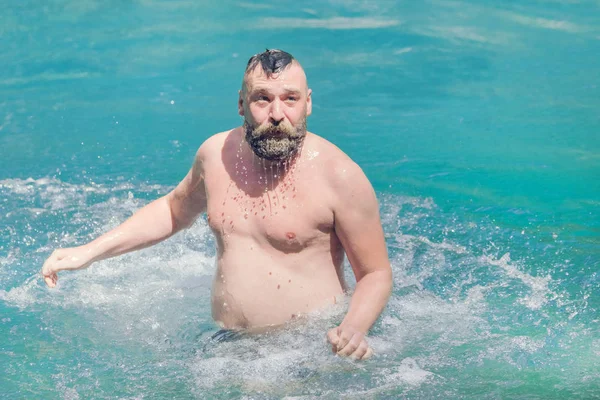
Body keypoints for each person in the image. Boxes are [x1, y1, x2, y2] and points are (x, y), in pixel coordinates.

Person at [41, 49, 392, 361]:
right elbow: (173, 211)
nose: (276, 113)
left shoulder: (340, 176)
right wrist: (87, 252)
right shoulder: (216, 155)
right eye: (262, 99)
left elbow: (375, 273)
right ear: (241, 103)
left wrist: (354, 329)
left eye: (290, 98)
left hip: (306, 351)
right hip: (224, 346)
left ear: (308, 103)